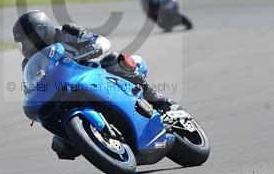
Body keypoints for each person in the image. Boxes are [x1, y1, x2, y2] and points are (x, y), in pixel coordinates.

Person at [12, 10, 174, 159]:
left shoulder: (67, 32)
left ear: (41, 30)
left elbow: (101, 41)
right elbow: (31, 87)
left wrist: (92, 49)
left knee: (117, 61)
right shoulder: (28, 63)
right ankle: (100, 141)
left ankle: (155, 98)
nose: (25, 47)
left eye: (26, 41)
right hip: (66, 91)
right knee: (60, 145)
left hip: (94, 73)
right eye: (21, 44)